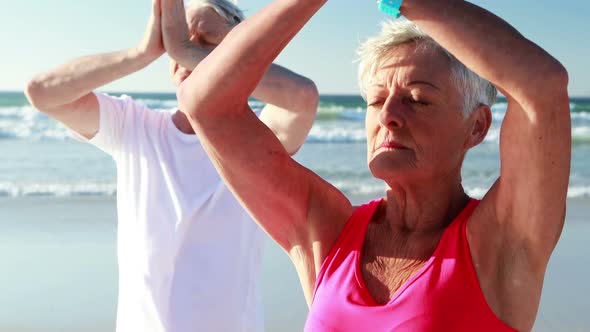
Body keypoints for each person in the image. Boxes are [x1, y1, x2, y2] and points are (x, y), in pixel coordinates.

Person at [176, 0, 571, 331]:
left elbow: (541, 85)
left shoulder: (501, 241)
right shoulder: (328, 234)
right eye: (376, 100)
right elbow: (205, 105)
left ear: (477, 126)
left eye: (417, 99)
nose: (389, 116)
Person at [24, 0, 319, 331]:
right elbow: (42, 92)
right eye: (179, 39)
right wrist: (141, 53)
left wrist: (188, 52)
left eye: (205, 42)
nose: (184, 52)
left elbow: (302, 97)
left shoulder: (256, 140)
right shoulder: (135, 126)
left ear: (237, 53)